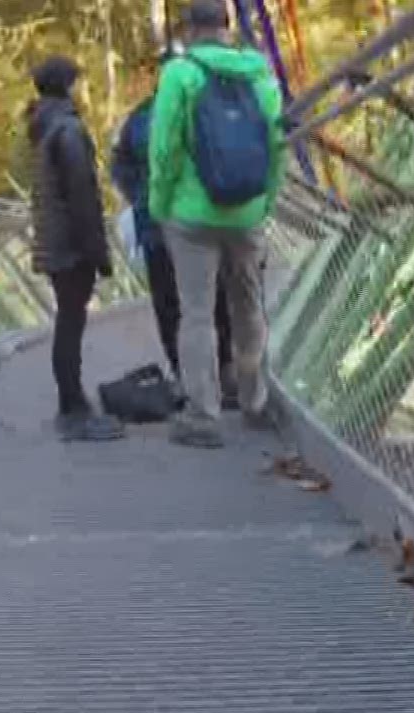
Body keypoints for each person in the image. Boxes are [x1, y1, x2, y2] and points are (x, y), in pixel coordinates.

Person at [147, 0, 287, 448]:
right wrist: (266, 199)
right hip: (247, 210)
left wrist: (160, 204)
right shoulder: (259, 74)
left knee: (197, 313)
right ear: (228, 29)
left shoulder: (180, 74)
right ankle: (255, 399)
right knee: (248, 305)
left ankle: (204, 415)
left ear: (189, 30)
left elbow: (165, 148)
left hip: (191, 214)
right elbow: (277, 141)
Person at [109, 45, 239, 410]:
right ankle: (220, 377)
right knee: (211, 303)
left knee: (174, 306)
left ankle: (191, 379)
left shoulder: (140, 117)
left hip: (160, 226)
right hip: (199, 226)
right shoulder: (206, 112)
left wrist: (141, 196)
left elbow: (119, 165)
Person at [26, 54, 122, 442]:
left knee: (69, 320)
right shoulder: (67, 130)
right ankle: (74, 408)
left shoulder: (43, 126)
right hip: (70, 245)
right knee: (70, 322)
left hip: (54, 241)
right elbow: (83, 197)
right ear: (68, 85)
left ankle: (73, 403)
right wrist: (98, 253)